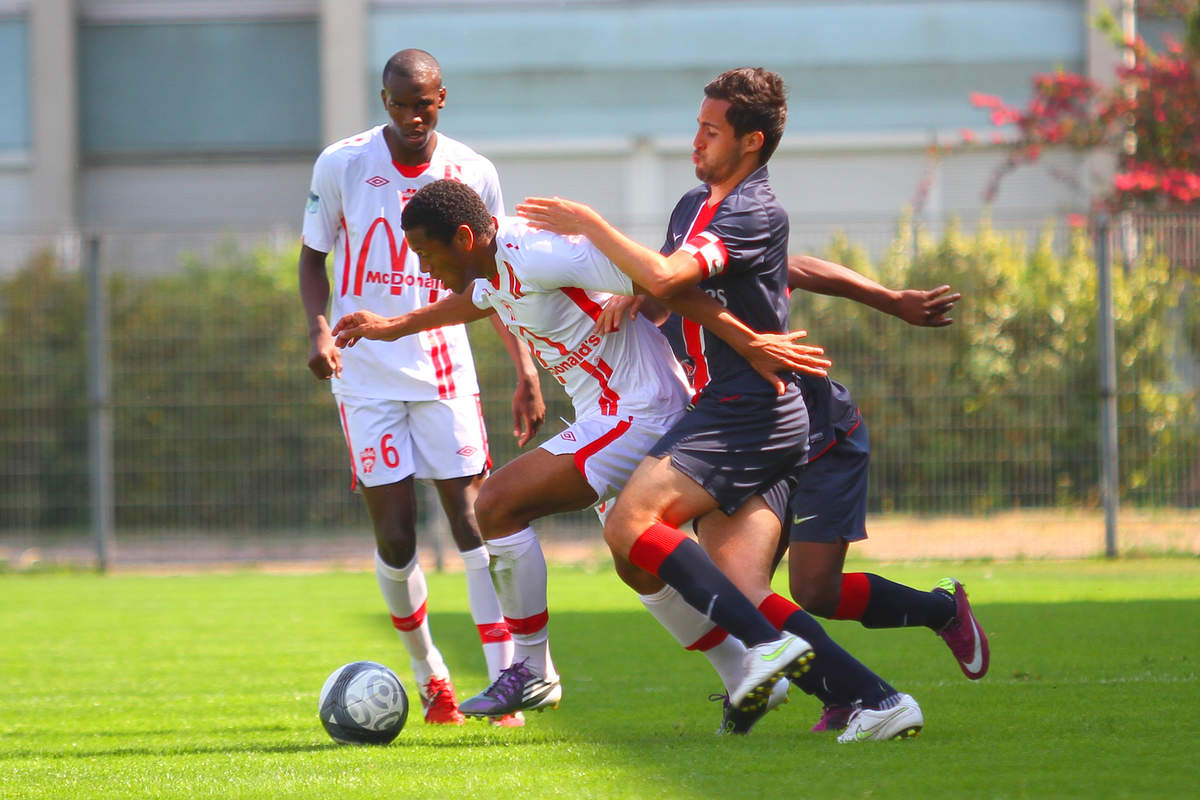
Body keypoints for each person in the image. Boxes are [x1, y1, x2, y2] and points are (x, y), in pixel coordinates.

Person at [332, 179, 921, 743]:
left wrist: (732, 334)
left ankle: (533, 669)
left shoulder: (537, 251)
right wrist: (395, 326)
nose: (421, 267)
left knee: (496, 502)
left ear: (465, 237)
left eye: (426, 253)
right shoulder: (490, 270)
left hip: (640, 409)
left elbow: (663, 281)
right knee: (636, 564)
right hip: (608, 414)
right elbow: (476, 301)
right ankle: (761, 676)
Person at [517, 66, 928, 740]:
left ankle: (762, 652)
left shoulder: (754, 211)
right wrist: (642, 296)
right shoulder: (693, 203)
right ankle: (876, 701)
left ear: (751, 142)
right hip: (734, 405)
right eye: (698, 128)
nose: (697, 141)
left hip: (748, 409)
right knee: (741, 585)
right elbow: (668, 286)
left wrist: (590, 225)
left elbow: (669, 273)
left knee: (628, 523)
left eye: (711, 132)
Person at [298, 49, 545, 727]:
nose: (414, 115)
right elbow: (312, 257)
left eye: (425, 103)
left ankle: (504, 684)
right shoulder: (342, 163)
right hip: (366, 375)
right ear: (385, 102)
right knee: (399, 538)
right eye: (401, 104)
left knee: (474, 522)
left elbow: (493, 280)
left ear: (443, 100)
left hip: (443, 368)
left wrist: (523, 367)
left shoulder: (473, 171)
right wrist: (319, 330)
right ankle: (430, 674)